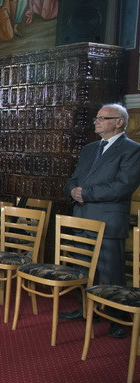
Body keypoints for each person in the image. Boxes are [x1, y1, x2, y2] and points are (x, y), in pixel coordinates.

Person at [59, 103, 140, 338]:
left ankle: (118, 319)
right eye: (97, 117)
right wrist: (72, 190)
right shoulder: (90, 149)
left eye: (102, 118)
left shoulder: (132, 150)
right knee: (83, 268)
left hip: (108, 221)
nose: (96, 121)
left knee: (111, 272)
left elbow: (122, 186)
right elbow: (73, 179)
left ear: (119, 122)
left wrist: (85, 193)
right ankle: (86, 310)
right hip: (82, 218)